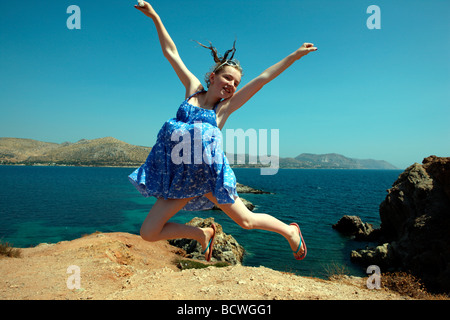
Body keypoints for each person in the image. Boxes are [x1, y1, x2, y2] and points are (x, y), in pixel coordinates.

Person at [130, 1, 316, 262]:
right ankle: (202, 234)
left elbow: (262, 79)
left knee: (247, 222)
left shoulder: (223, 110)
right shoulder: (192, 90)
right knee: (149, 233)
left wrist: (294, 55)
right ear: (213, 76)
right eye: (227, 78)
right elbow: (171, 53)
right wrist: (155, 17)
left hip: (207, 178)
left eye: (235, 83)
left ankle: (290, 232)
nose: (231, 85)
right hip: (181, 180)